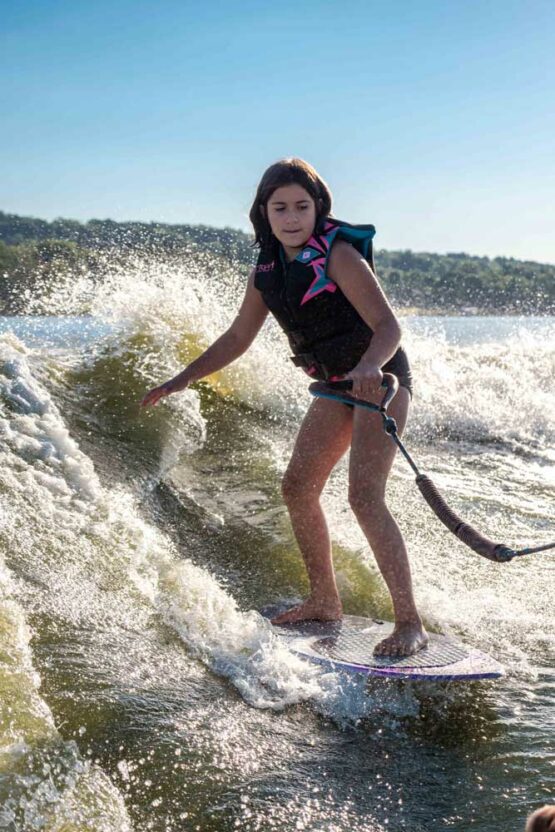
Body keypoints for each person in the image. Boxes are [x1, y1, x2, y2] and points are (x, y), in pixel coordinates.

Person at [141, 157, 428, 657]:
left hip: (380, 381)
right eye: (280, 208)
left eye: (301, 206)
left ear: (319, 209)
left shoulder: (339, 256)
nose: (291, 217)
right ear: (263, 213)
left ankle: (409, 623)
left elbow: (388, 328)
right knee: (297, 486)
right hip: (335, 387)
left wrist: (368, 368)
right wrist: (181, 379)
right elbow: (237, 337)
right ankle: (324, 600)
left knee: (364, 497)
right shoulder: (267, 270)